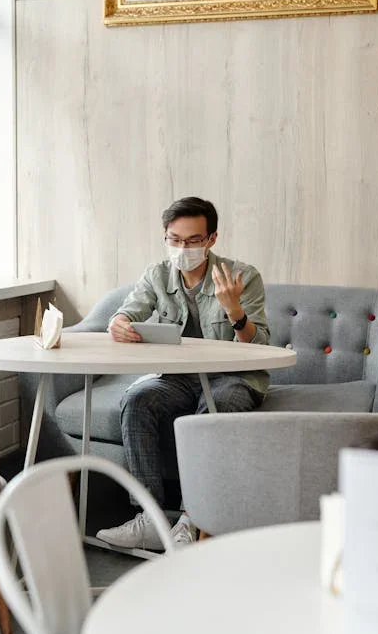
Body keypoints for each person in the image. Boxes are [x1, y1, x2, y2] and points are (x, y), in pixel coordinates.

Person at [96, 197, 270, 550]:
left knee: (216, 404)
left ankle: (193, 519)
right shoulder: (157, 274)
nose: (182, 248)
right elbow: (129, 310)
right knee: (138, 399)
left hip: (233, 378)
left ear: (211, 239)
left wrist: (235, 312)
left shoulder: (242, 276)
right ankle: (150, 517)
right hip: (178, 377)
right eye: (174, 239)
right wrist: (119, 323)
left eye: (193, 240)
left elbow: (262, 345)